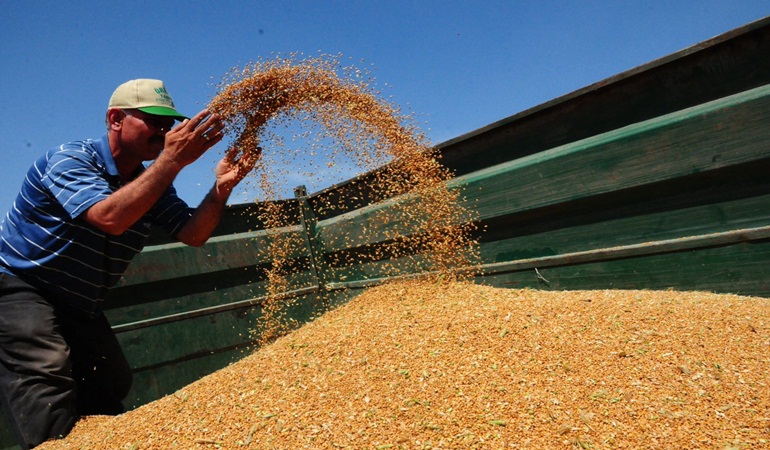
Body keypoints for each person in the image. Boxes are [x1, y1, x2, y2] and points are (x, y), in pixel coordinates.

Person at [0, 79, 259, 449]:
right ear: (116, 119)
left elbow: (193, 233)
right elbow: (110, 217)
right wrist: (170, 161)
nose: (164, 130)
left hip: (79, 301)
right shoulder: (70, 159)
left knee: (110, 378)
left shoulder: (149, 182)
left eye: (169, 123)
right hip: (20, 286)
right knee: (46, 369)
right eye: (153, 120)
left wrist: (221, 188)